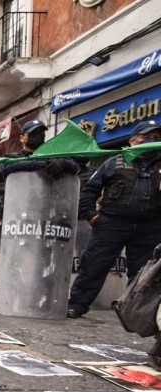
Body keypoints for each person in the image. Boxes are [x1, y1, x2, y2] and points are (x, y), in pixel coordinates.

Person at [68, 120, 161, 319]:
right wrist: (92, 216)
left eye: (156, 137)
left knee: (143, 275)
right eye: (146, 137)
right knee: (94, 264)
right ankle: (77, 304)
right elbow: (89, 190)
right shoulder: (114, 161)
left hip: (149, 227)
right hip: (112, 224)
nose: (152, 140)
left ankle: (132, 313)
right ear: (133, 141)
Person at [0, 120, 79, 179]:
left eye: (41, 133)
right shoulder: (13, 158)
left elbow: (75, 167)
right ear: (22, 138)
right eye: (33, 133)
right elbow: (6, 167)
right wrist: (44, 165)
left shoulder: (50, 156)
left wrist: (63, 163)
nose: (38, 136)